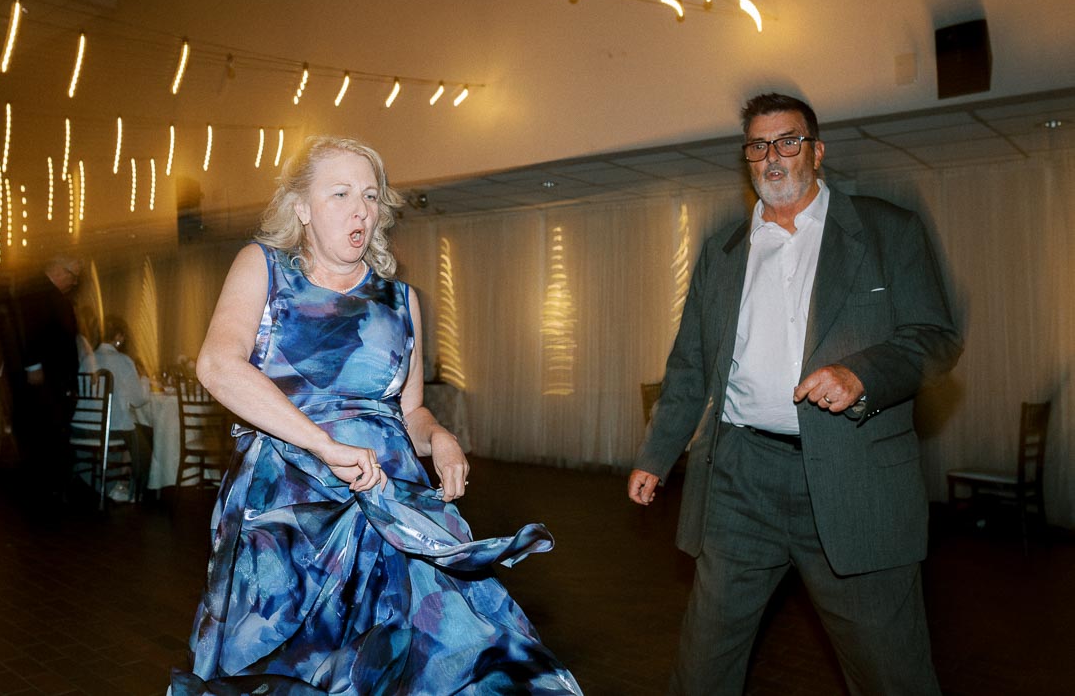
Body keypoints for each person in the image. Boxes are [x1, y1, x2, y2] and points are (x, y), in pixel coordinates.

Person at [170, 136, 581, 695]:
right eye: (339, 193)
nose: (360, 209)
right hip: (287, 510)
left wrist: (440, 438)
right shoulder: (264, 269)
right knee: (285, 667)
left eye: (369, 195)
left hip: (388, 503)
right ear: (302, 208)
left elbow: (409, 411)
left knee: (428, 657)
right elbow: (219, 365)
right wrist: (323, 445)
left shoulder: (401, 301)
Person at [629, 93, 963, 695]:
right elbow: (690, 367)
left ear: (816, 151)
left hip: (851, 475)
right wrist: (657, 455)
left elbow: (936, 339)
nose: (772, 157)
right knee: (703, 668)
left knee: (892, 673)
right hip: (740, 479)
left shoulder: (887, 230)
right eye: (758, 146)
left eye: (788, 141)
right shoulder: (724, 251)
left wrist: (862, 373)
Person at [4, 253, 82, 505]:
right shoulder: (39, 293)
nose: (74, 283)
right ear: (60, 271)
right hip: (45, 381)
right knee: (44, 434)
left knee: (44, 435)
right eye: (73, 277)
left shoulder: (43, 293)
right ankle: (44, 492)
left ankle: (44, 490)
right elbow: (29, 331)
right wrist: (34, 365)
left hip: (48, 380)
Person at [85, 315, 152, 497]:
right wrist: (144, 378)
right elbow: (138, 400)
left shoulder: (87, 359)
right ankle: (133, 494)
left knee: (133, 430)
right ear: (119, 336)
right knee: (146, 444)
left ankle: (109, 484)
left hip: (81, 428)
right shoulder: (123, 360)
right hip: (109, 429)